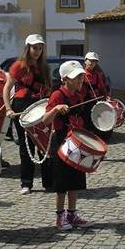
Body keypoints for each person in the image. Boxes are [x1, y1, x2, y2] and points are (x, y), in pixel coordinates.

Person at [43, 61, 95, 230]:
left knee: (76, 181)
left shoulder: (78, 95)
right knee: (62, 184)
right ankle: (60, 217)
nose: (80, 80)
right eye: (76, 77)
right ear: (65, 79)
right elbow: (45, 120)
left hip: (77, 142)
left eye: (81, 76)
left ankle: (72, 214)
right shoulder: (57, 95)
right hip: (62, 143)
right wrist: (56, 109)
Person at [2, 34, 52, 195]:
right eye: (34, 48)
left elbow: (48, 88)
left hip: (40, 106)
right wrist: (8, 108)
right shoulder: (19, 65)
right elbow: (7, 87)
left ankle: (48, 182)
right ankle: (26, 183)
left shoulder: (44, 66)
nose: (37, 51)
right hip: (22, 105)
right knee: (26, 146)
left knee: (44, 144)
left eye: (40, 48)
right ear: (28, 48)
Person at [83, 52, 113, 140]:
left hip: (96, 103)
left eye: (94, 61)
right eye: (90, 60)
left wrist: (106, 97)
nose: (92, 63)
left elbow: (103, 89)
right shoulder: (82, 74)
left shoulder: (97, 75)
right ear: (85, 61)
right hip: (84, 104)